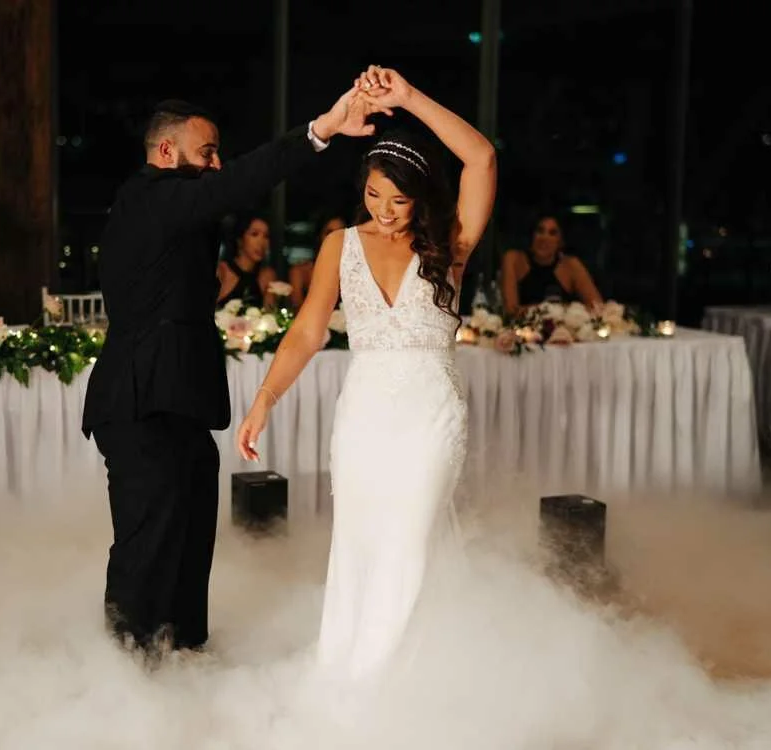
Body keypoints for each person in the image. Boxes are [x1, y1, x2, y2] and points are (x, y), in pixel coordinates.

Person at [81, 88, 383, 655]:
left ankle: (185, 655)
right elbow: (239, 181)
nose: (217, 164)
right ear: (166, 152)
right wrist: (321, 129)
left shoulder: (174, 213)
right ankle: (127, 670)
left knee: (190, 541)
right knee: (147, 547)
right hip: (141, 405)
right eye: (207, 152)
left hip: (180, 406)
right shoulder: (149, 196)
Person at [236, 65, 496, 680]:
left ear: (421, 198)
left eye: (399, 200)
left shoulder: (451, 245)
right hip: (364, 417)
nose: (384, 210)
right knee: (360, 545)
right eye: (375, 195)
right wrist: (265, 398)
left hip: (431, 415)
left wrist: (408, 97)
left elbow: (481, 158)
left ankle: (380, 684)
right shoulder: (341, 245)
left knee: (409, 541)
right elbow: (308, 331)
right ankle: (347, 673)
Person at [499, 213, 602, 315]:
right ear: (532, 235)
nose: (544, 238)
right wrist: (556, 309)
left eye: (552, 233)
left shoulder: (570, 265)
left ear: (560, 241)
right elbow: (511, 310)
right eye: (540, 231)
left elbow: (597, 307)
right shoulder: (513, 259)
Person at [216, 213, 276, 310]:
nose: (261, 243)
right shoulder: (222, 271)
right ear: (240, 239)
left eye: (266, 236)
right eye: (254, 234)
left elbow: (270, 315)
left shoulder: (267, 276)